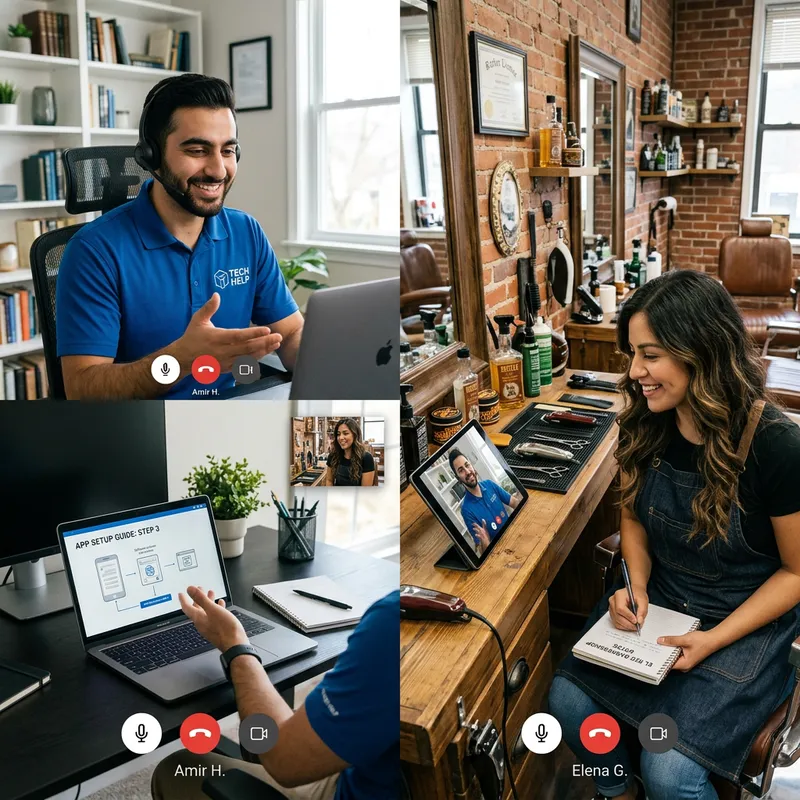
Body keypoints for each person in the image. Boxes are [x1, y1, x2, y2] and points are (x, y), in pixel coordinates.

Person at [548, 269, 800, 800]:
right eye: (633, 353)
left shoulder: (777, 446)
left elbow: (797, 572)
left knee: (670, 770)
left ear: (700, 351)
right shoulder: (646, 421)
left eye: (652, 354)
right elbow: (635, 517)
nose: (636, 371)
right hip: (663, 604)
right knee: (567, 703)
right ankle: (619, 792)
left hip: (743, 622)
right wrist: (636, 585)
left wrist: (711, 639)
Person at [56, 74, 304, 399]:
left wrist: (339, 362)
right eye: (198, 150)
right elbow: (83, 389)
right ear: (151, 156)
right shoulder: (94, 251)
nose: (218, 170)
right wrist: (179, 361)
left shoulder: (246, 233)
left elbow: (292, 333)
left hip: (229, 421)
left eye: (228, 151)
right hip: (142, 435)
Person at [150, 587, 399, 800]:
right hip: (383, 774)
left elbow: (285, 762)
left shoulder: (391, 621)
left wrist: (235, 646)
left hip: (351, 790)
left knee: (177, 768)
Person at [448, 448, 522, 555]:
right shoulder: (466, 510)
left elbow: (514, 503)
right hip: (502, 552)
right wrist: (485, 541)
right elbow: (482, 551)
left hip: (516, 533)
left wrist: (522, 494)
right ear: (458, 478)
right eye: (461, 470)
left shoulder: (489, 484)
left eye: (467, 465)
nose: (468, 472)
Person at [324, 419, 375, 486]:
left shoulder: (366, 458)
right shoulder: (333, 456)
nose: (341, 437)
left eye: (345, 433)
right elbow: (329, 480)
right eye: (338, 434)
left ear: (355, 435)